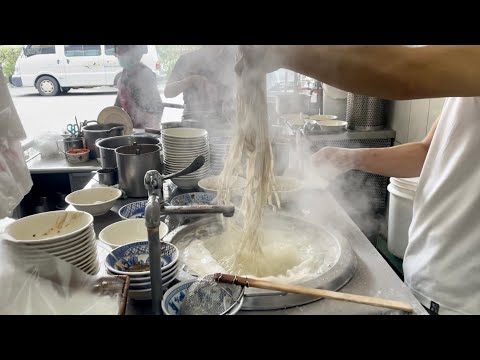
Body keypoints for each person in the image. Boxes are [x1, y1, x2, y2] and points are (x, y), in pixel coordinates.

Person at [237, 45, 480, 315]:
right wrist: (349, 157)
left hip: (460, 297)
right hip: (428, 273)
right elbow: (427, 152)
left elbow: (405, 71)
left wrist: (280, 51)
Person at [164, 45, 236, 131]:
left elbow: (241, 90)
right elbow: (167, 92)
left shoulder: (232, 60)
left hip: (225, 124)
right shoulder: (187, 60)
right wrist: (191, 81)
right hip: (192, 124)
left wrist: (228, 100)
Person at [113, 45, 163, 130]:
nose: (118, 56)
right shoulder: (124, 73)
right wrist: (112, 114)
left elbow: (157, 106)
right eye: (118, 53)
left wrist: (151, 130)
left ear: (134, 55)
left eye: (122, 52)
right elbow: (119, 99)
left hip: (147, 129)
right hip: (131, 127)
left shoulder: (146, 75)